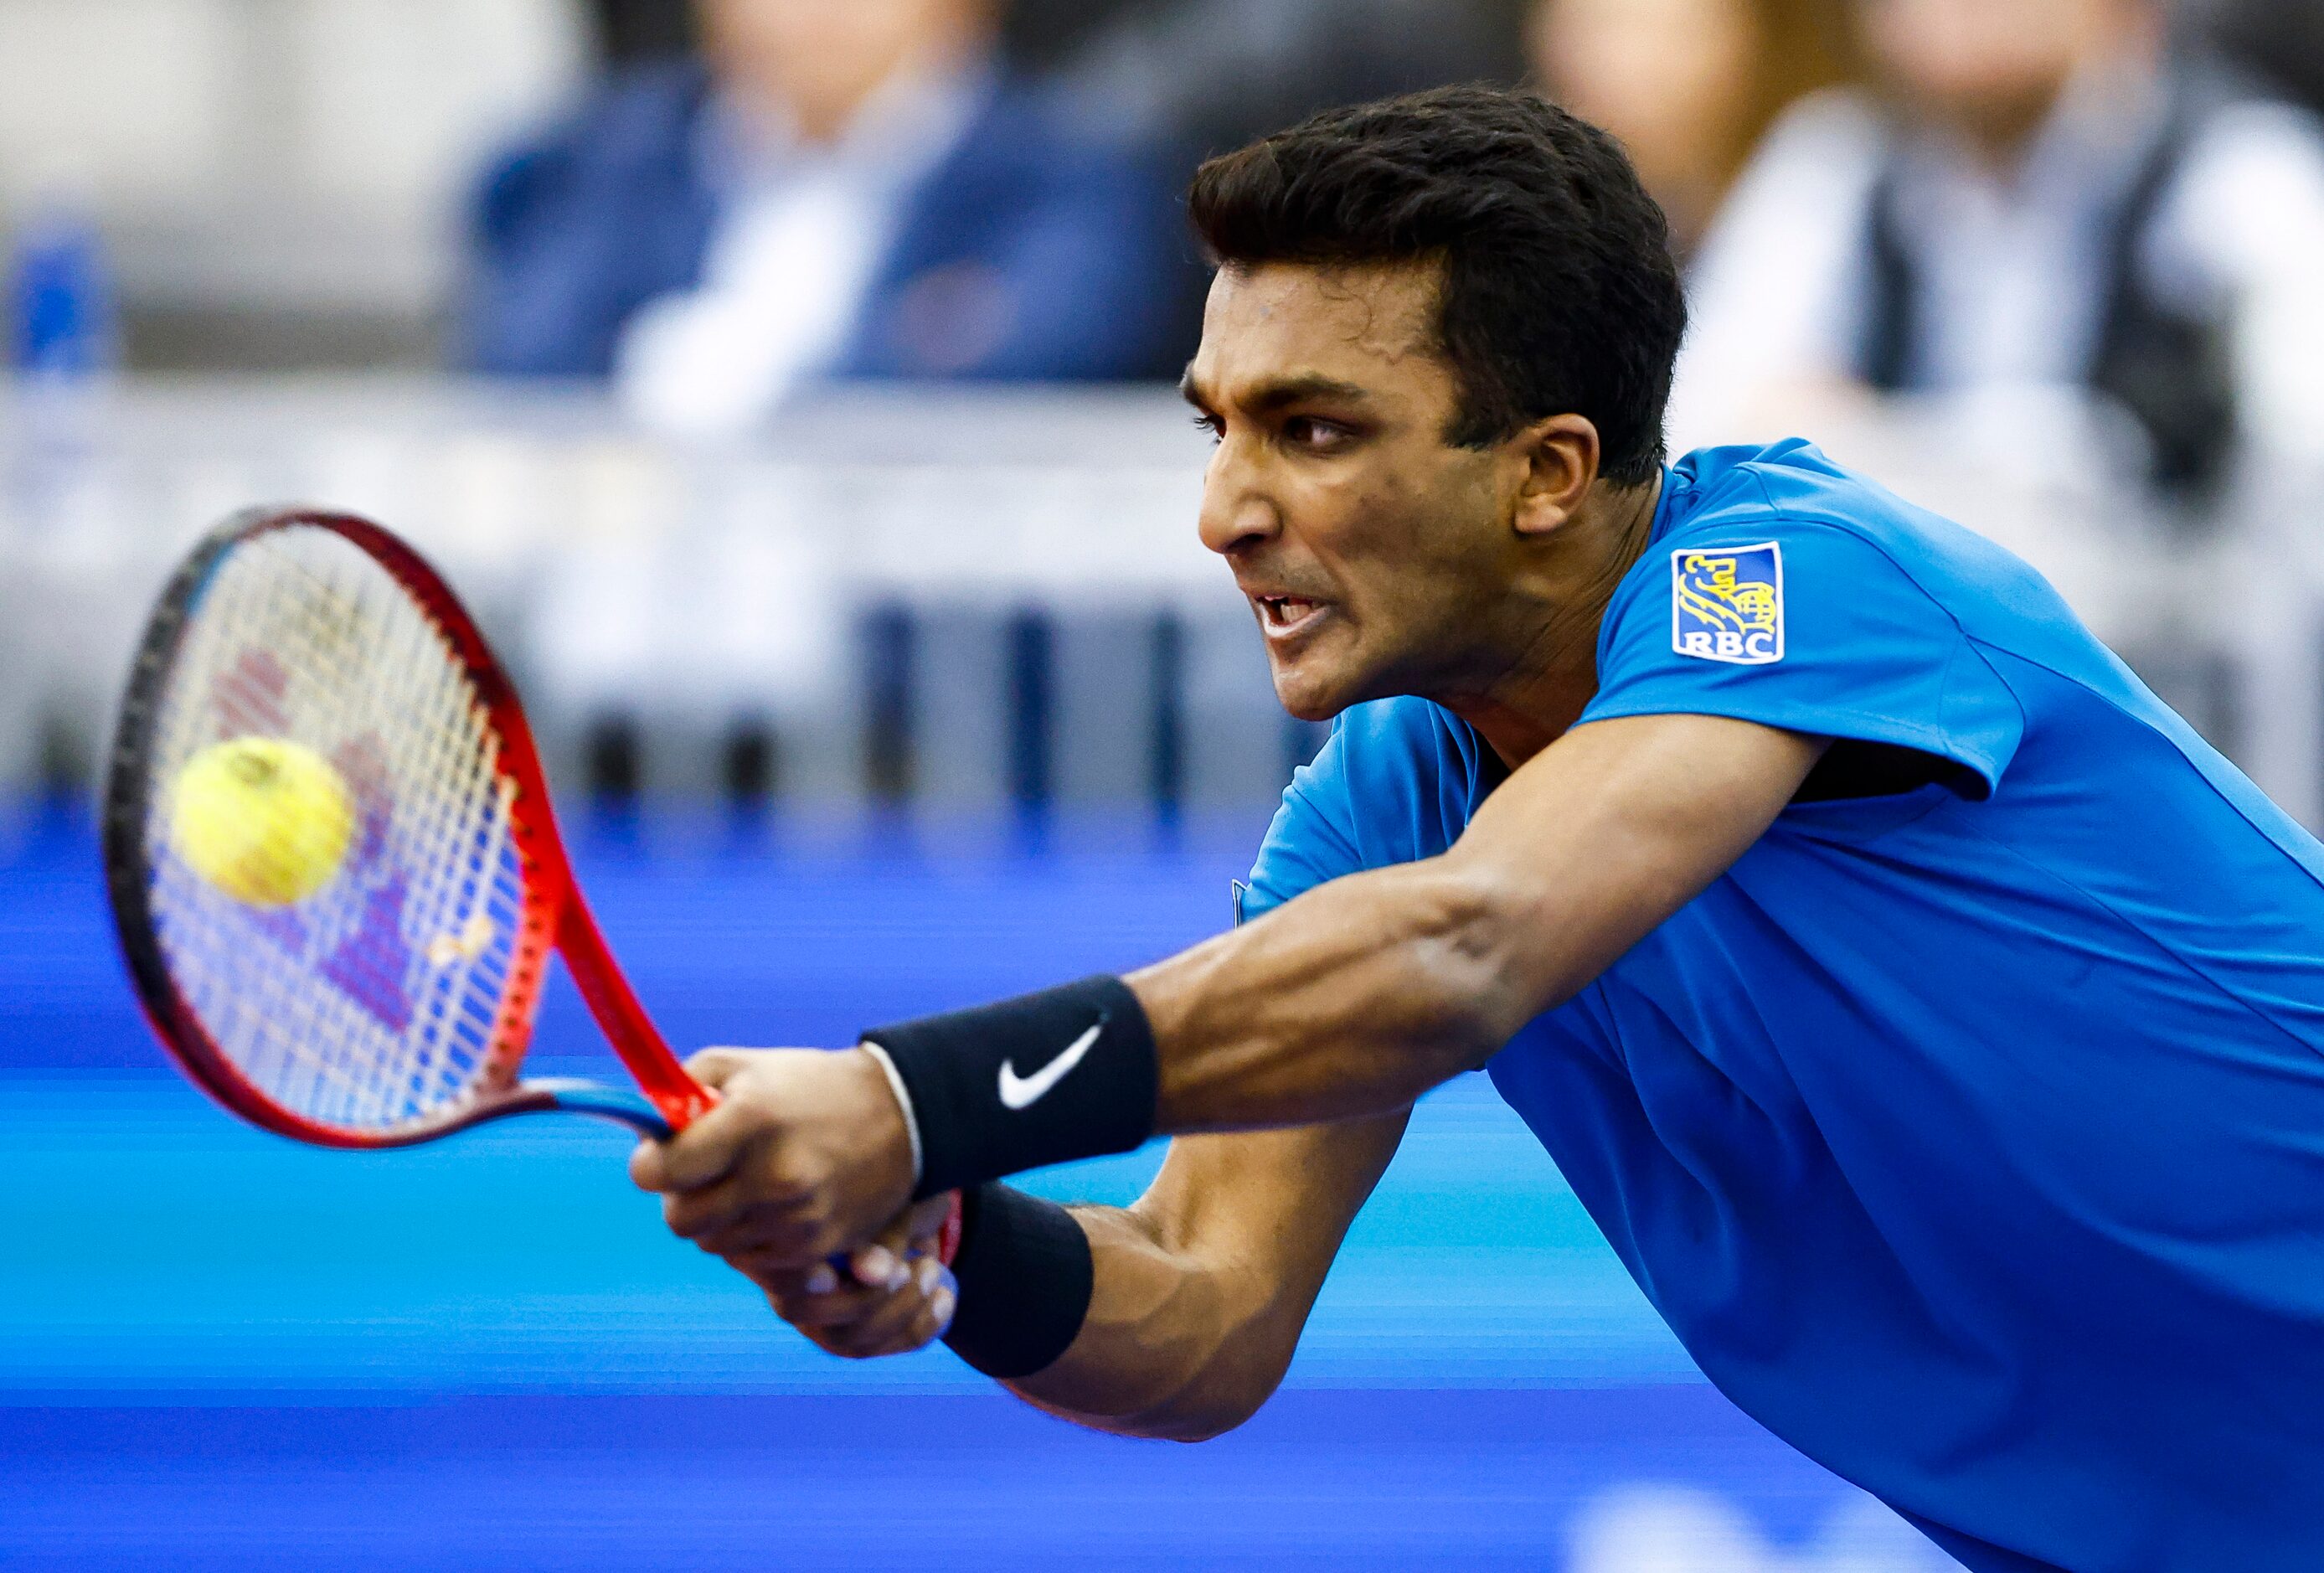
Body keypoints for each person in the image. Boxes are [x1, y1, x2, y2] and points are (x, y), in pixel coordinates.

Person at [631, 85, 2324, 1570]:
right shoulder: (1388, 798)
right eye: (1213, 426)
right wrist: (949, 1234)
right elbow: (1203, 1308)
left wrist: (904, 1102)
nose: (1223, 513)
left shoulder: (1794, 574)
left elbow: (1471, 945)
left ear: (1546, 472)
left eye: (1312, 429)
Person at [1668, 0, 2324, 491]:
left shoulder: (2241, 175)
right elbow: (1699, 428)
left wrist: (1858, 437)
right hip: (1906, 644)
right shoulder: (1835, 166)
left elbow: (2295, 479)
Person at [459, 0, 1192, 436]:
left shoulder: (1067, 175)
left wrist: (766, 395)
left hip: (921, 669)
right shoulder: (607, 157)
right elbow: (526, 344)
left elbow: (1046, 345)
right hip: (614, 655)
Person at [1526, 0, 1845, 255]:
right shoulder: (1520, 195)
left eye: (1667, 33)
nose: (1618, 64)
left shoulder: (1817, 181)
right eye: (1596, 27)